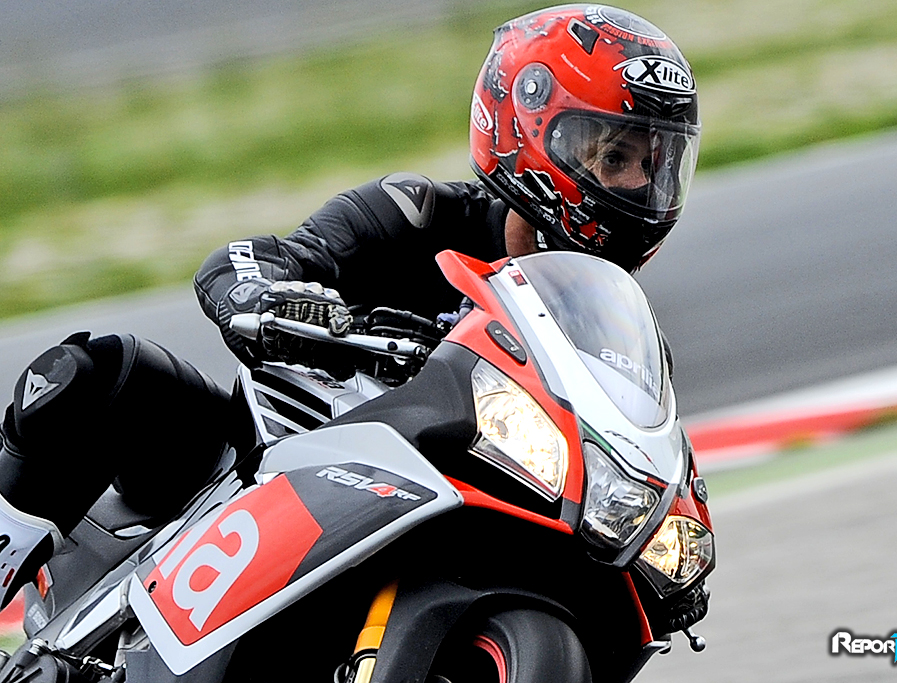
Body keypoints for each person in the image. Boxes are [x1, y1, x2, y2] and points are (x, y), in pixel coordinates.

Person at [0, 4, 704, 626]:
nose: (641, 186)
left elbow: (647, 450)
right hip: (263, 467)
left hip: (459, 510)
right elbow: (246, 261)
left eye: (658, 163)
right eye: (616, 155)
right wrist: (272, 302)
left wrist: (677, 533)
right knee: (94, 372)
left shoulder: (614, 332)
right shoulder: (418, 214)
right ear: (529, 131)